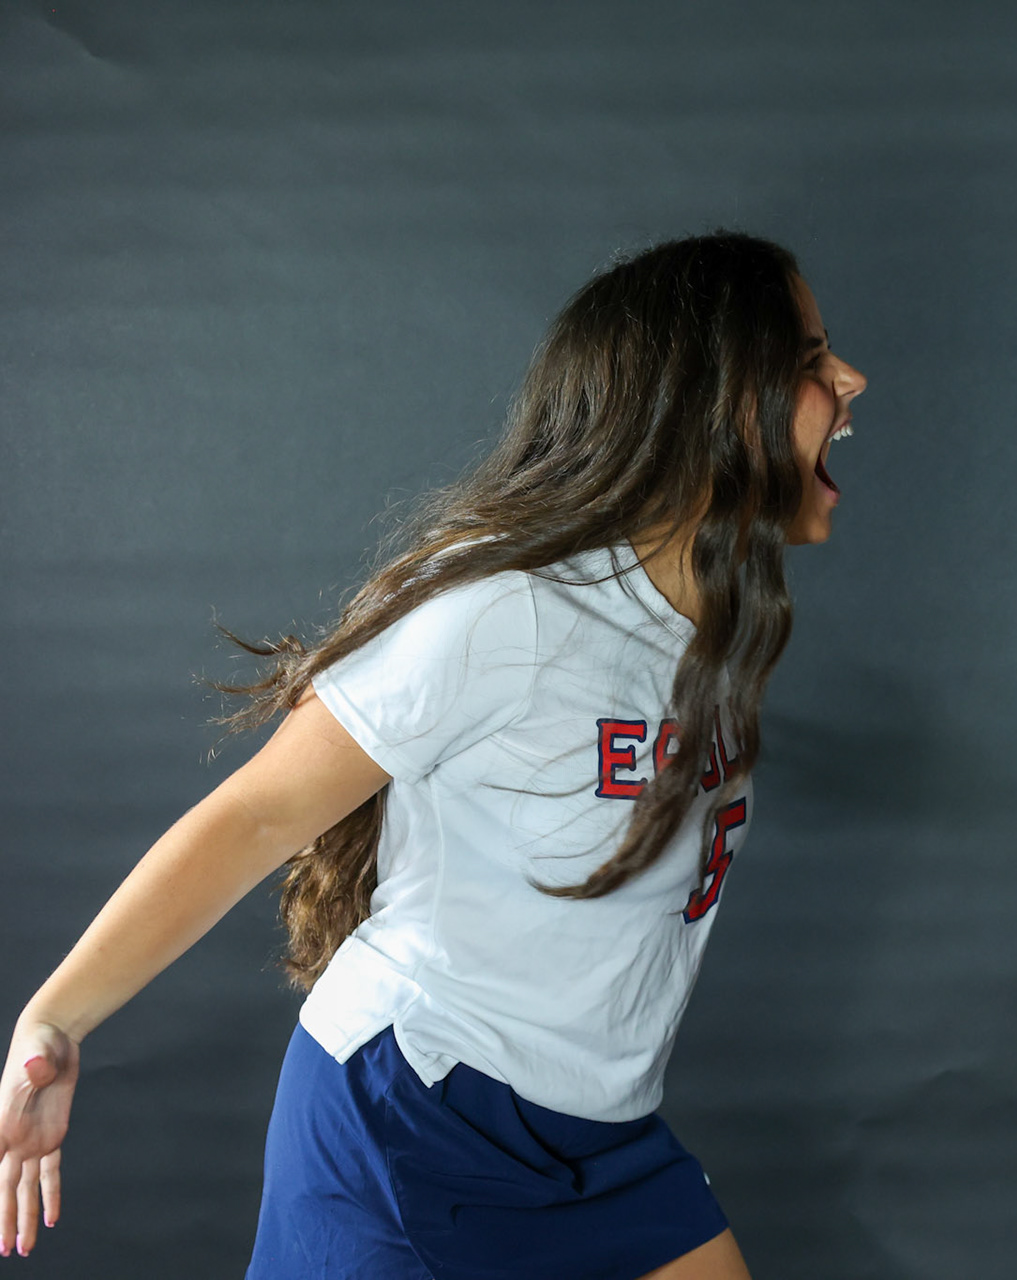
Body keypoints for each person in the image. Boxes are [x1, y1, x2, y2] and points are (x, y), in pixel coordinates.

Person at [0, 232, 867, 1279]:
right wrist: (55, 1014)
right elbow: (258, 815)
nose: (848, 380)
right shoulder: (510, 608)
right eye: (810, 358)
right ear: (712, 398)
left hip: (603, 1137)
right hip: (410, 1119)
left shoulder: (712, 636)